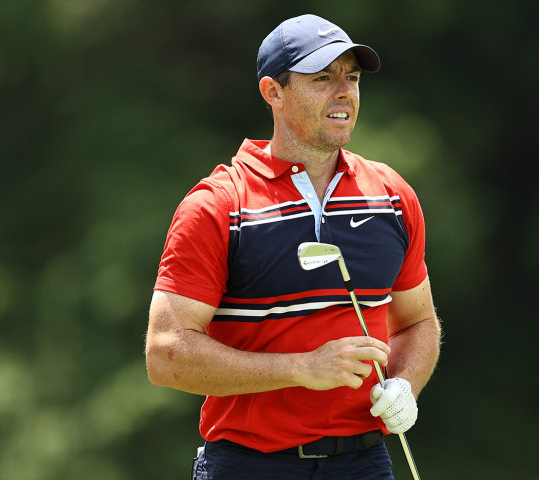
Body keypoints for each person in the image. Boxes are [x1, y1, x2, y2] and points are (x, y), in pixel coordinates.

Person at [144, 14, 441, 480]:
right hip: (249, 465)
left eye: (353, 77)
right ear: (273, 93)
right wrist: (302, 367)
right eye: (323, 78)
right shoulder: (219, 204)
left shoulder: (391, 195)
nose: (344, 91)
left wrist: (405, 384)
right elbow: (166, 355)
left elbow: (418, 320)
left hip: (363, 462)